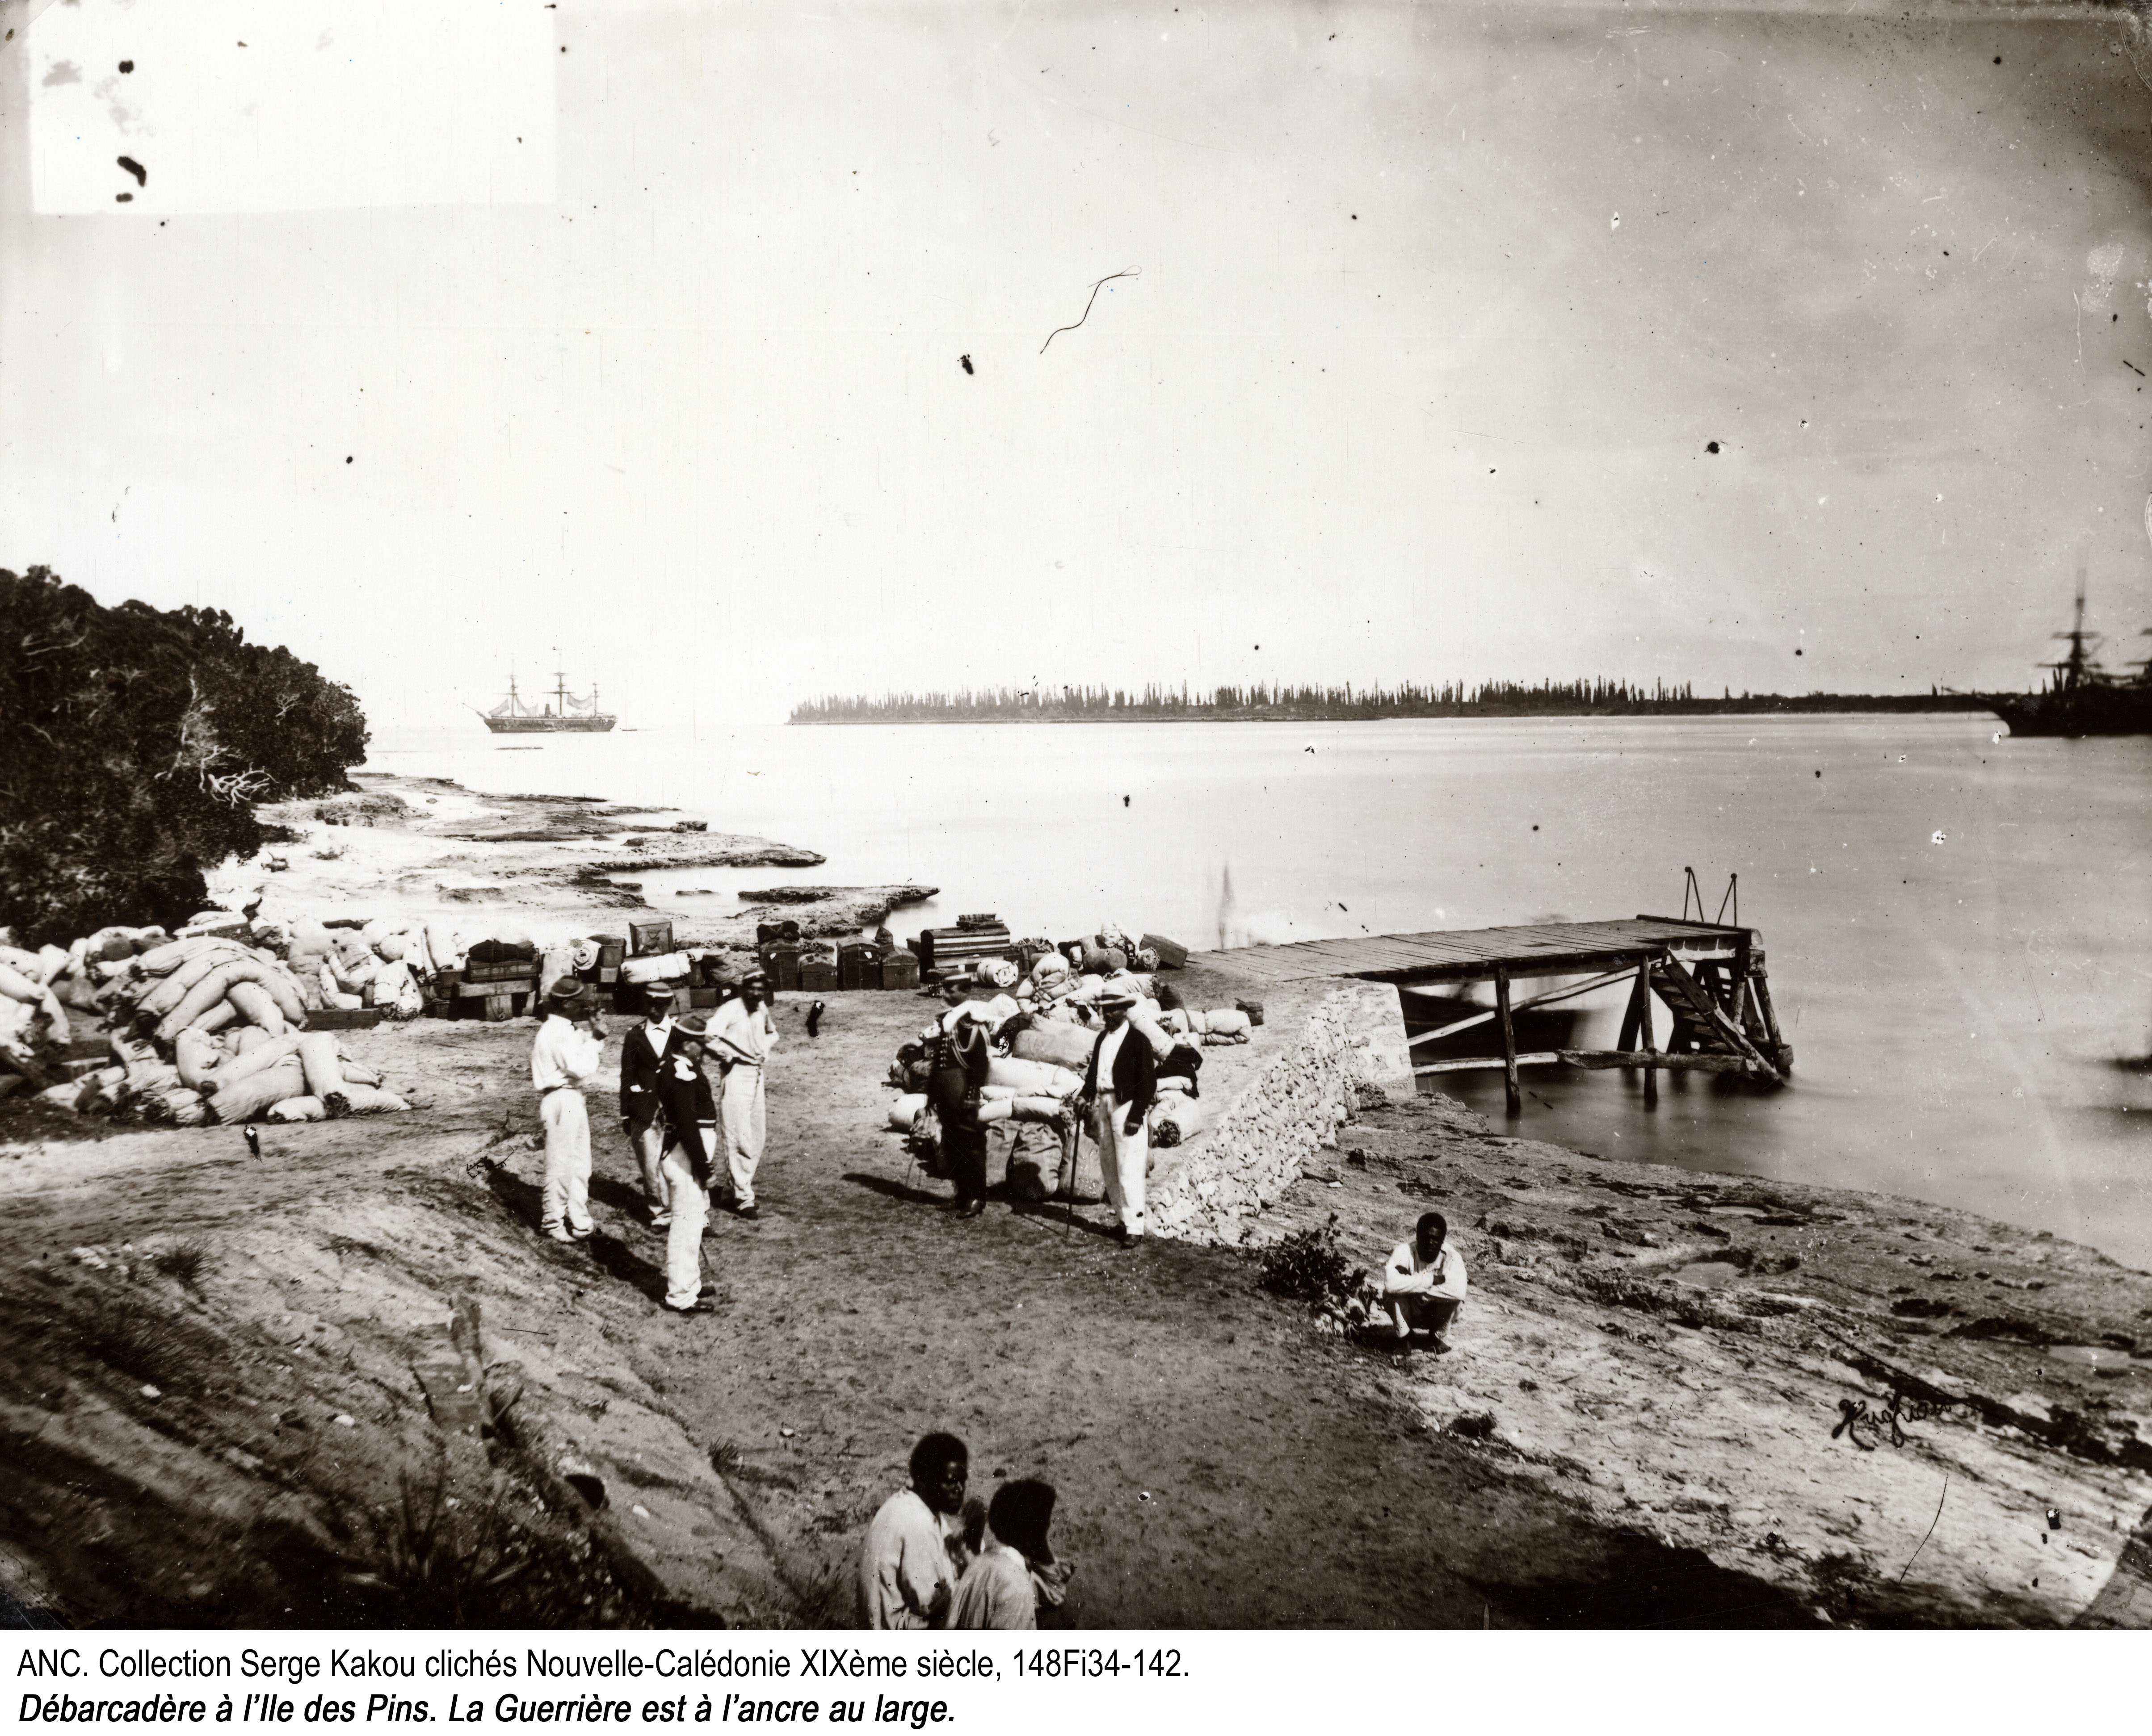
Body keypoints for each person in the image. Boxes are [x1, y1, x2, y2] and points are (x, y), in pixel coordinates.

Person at [857, 1433, 970, 1630]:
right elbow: (931, 1604)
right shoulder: (917, 1522)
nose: (959, 1489)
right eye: (951, 1481)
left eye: (962, 1480)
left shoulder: (912, 1504)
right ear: (925, 1480)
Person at [529, 977, 607, 1244]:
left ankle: (580, 1220)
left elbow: (583, 1048)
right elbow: (580, 1067)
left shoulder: (567, 1029)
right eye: (580, 1002)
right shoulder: (554, 1032)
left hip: (572, 1097)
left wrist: (594, 1034)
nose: (584, 1007)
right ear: (567, 1003)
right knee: (561, 1163)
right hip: (561, 1098)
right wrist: (596, 1039)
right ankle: (552, 1221)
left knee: (580, 1164)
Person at [654, 1014, 721, 1315]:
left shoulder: (684, 1067)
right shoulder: (679, 1071)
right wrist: (705, 1169)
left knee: (693, 1224)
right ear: (686, 1043)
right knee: (685, 1227)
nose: (704, 1050)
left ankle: (689, 1284)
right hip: (685, 1156)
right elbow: (687, 1126)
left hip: (687, 1155)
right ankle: (680, 1296)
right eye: (700, 1044)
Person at [1079, 988, 1157, 1243]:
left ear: (1125, 1010)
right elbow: (1094, 1076)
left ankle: (1135, 1227)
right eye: (1104, 1009)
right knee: (1109, 1165)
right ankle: (1122, 1221)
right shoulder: (1102, 1039)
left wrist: (1137, 1115)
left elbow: (1148, 1083)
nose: (1108, 1013)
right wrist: (1083, 1096)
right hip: (1104, 1103)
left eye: (1114, 1009)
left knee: (1129, 1167)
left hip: (1126, 1107)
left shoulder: (1138, 1041)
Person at [949, 1479, 1072, 1631]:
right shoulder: (1019, 1587)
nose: (1049, 1529)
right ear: (1030, 1536)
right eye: (1045, 1527)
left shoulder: (978, 1564)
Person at [707, 968, 778, 1219]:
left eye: (761, 989)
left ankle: (732, 1190)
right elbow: (708, 1036)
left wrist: (764, 1050)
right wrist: (726, 1055)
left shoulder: (761, 1009)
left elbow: (773, 1033)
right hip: (736, 1074)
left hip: (757, 1075)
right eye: (752, 988)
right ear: (743, 988)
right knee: (738, 1137)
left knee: (757, 1135)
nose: (757, 993)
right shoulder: (731, 1009)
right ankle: (744, 1198)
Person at [926, 983, 993, 1217]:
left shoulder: (971, 1022)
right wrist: (932, 1094)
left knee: (970, 1143)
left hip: (962, 1087)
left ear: (965, 992)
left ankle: (977, 1197)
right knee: (952, 1141)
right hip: (946, 1088)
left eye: (951, 991)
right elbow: (938, 1061)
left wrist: (972, 1093)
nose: (945, 996)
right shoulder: (948, 1020)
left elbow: (980, 1063)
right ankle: (962, 1194)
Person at [618, 985, 678, 1229]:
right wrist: (626, 1112)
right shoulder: (634, 1035)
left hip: (676, 1109)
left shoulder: (679, 1032)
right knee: (650, 1163)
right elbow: (627, 1075)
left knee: (677, 1164)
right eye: (650, 1004)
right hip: (644, 1110)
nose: (654, 1010)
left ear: (669, 1005)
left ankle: (686, 1211)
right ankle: (660, 1213)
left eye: (660, 1005)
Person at [1382, 1210, 1468, 1353]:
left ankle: (1435, 1337)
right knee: (1391, 1295)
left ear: (1443, 1240)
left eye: (1436, 1239)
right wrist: (1433, 1280)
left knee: (1455, 1301)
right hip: (1409, 1311)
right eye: (1427, 1237)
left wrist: (1414, 1287)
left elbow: (1458, 1292)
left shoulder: (1452, 1257)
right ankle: (1405, 1338)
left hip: (1435, 1312)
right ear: (1417, 1236)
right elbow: (1390, 1285)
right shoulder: (1405, 1251)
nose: (1431, 1243)